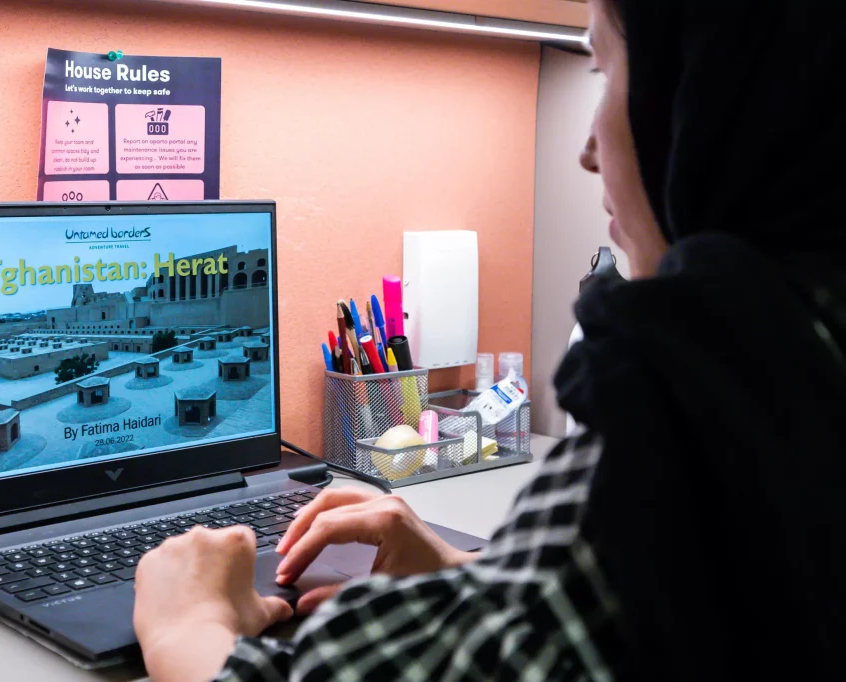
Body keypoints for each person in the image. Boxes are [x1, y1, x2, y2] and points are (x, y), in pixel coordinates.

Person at [133, 0, 846, 679]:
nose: (588, 151)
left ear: (701, 103)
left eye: (603, 71)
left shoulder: (687, 415)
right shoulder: (802, 346)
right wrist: (470, 576)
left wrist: (182, 628)